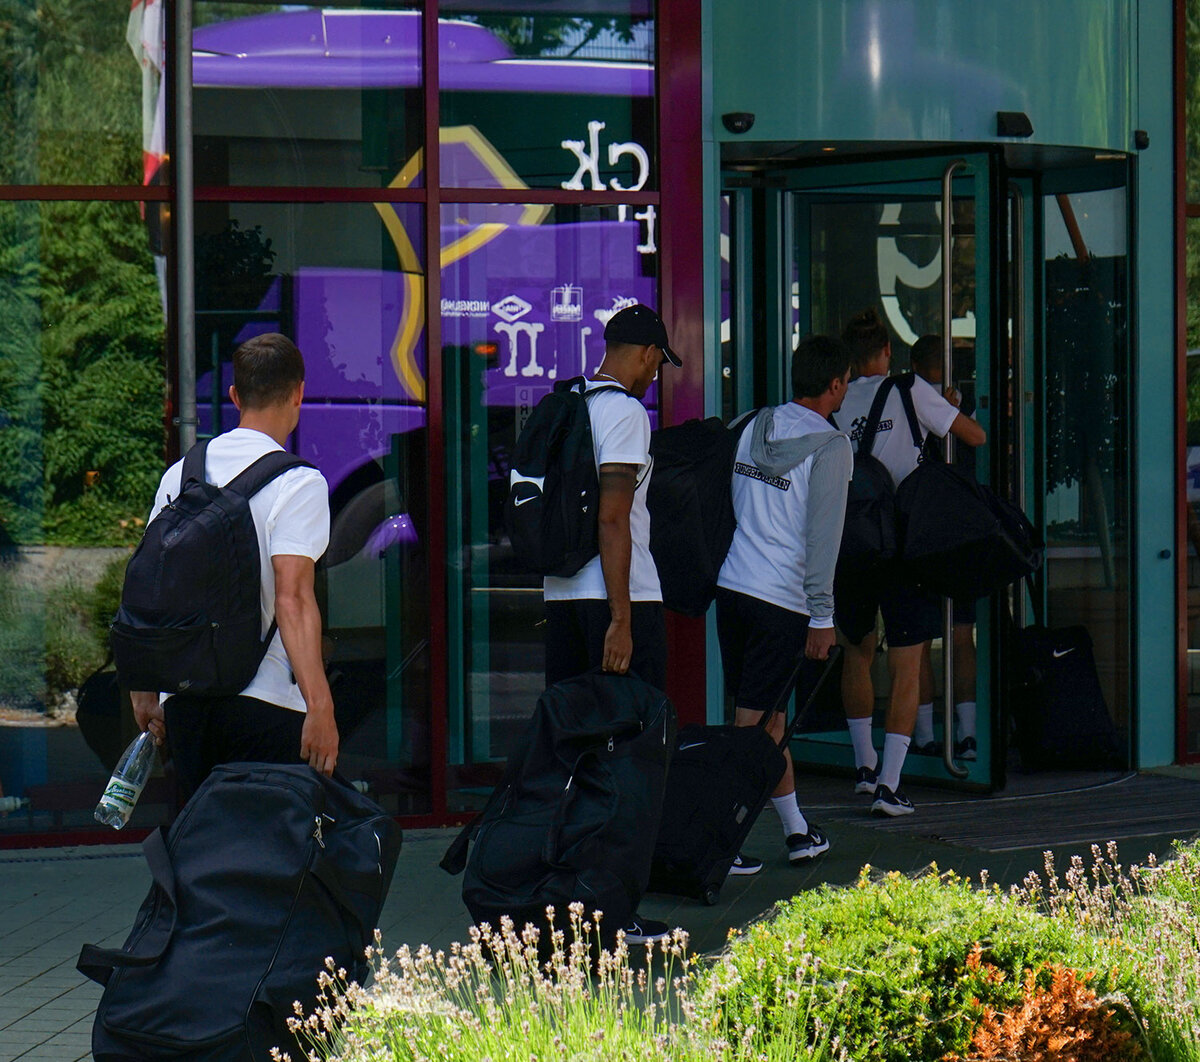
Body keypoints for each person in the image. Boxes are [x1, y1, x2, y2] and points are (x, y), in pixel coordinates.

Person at [131, 332, 338, 802]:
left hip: (186, 703)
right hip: (266, 702)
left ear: (234, 395)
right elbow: (292, 598)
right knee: (269, 841)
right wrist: (320, 706)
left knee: (199, 839)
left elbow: (148, 585)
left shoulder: (182, 473)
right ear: (299, 392)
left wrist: (145, 690)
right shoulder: (298, 482)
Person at [542, 302, 680, 942]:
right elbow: (612, 516)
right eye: (657, 363)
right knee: (631, 757)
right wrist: (622, 619)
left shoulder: (568, 402)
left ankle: (567, 900)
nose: (655, 375)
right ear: (648, 354)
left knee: (576, 755)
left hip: (563, 594)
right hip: (620, 600)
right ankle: (615, 913)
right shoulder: (624, 412)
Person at [832, 310, 985, 816]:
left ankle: (863, 766)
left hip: (852, 542)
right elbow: (974, 436)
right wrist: (945, 408)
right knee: (906, 662)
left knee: (857, 652)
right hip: (903, 540)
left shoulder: (835, 400)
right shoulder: (909, 389)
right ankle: (890, 784)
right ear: (886, 352)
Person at [715, 334, 852, 868]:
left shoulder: (751, 424)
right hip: (782, 602)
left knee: (766, 720)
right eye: (845, 382)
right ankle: (719, 840)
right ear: (835, 385)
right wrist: (823, 616)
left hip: (733, 589)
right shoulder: (832, 447)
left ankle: (797, 832)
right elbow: (824, 539)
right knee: (753, 727)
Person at [910, 334, 979, 761]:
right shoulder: (960, 407)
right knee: (962, 633)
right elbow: (977, 439)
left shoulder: (906, 400)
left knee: (917, 640)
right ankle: (967, 733)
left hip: (919, 531)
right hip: (960, 530)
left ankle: (922, 733)